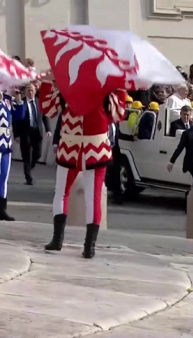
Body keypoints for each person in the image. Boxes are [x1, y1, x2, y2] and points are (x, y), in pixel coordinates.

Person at [39, 74, 128, 259]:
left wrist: (47, 82)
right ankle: (89, 246)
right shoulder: (104, 92)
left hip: (70, 149)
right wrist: (121, 88)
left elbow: (47, 108)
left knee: (62, 193)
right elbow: (119, 114)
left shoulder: (68, 90)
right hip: (96, 150)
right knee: (92, 197)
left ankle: (58, 239)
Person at [14, 83, 51, 185]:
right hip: (25, 133)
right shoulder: (21, 103)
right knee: (27, 156)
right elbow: (16, 120)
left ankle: (29, 167)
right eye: (28, 90)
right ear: (25, 91)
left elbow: (44, 117)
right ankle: (28, 178)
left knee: (37, 154)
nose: (30, 92)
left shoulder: (39, 102)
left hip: (36, 132)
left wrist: (48, 130)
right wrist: (16, 135)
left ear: (35, 91)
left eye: (32, 90)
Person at [0, 90, 25, 221]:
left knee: (4, 176)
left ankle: (1, 208)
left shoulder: (8, 98)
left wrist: (19, 100)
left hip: (5, 142)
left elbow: (19, 117)